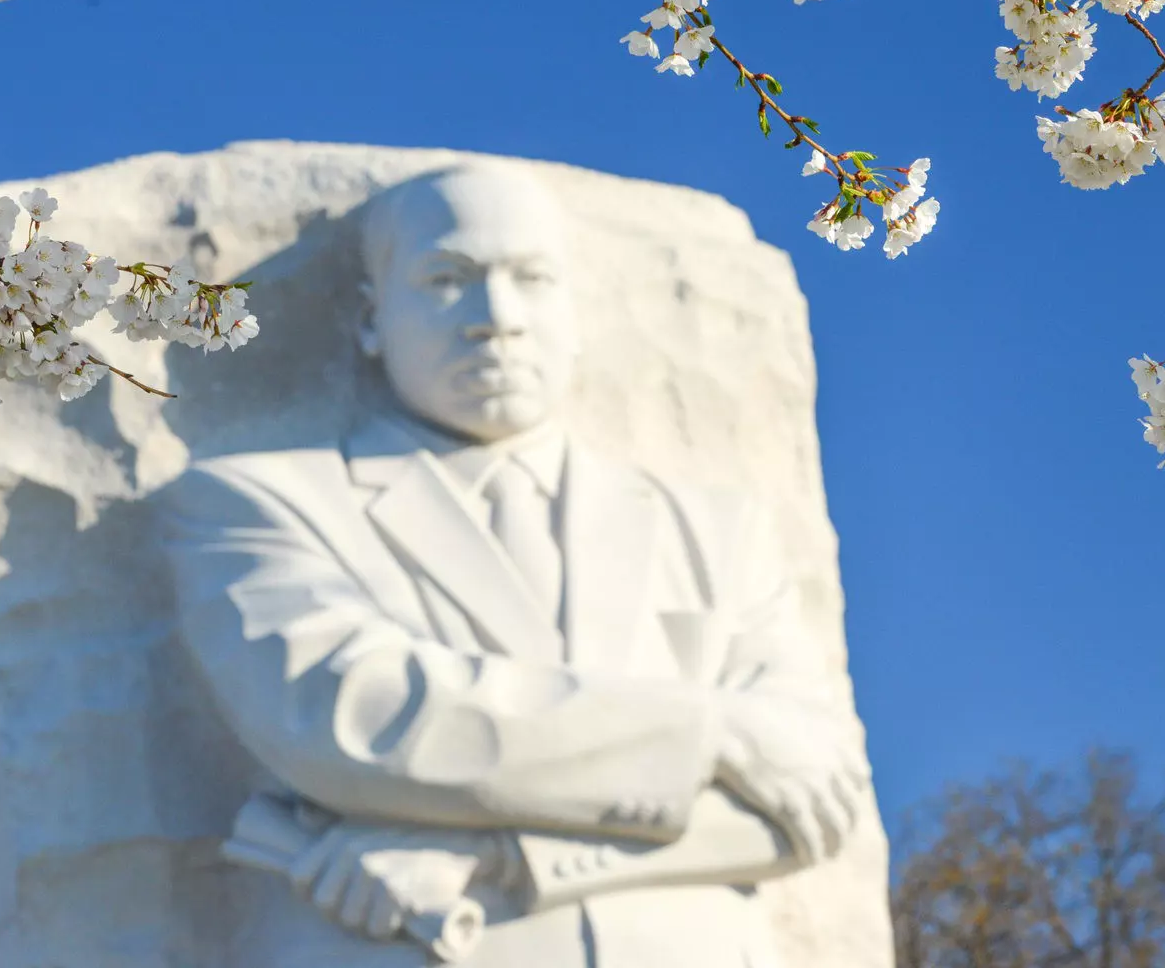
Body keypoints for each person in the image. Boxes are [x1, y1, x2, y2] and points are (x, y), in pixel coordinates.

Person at [159, 163, 871, 967]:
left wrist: (495, 857)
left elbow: (811, 800)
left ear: (574, 314)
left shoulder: (714, 532)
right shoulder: (257, 505)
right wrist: (712, 733)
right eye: (447, 279)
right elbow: (358, 715)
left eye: (531, 279)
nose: (495, 318)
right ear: (369, 320)